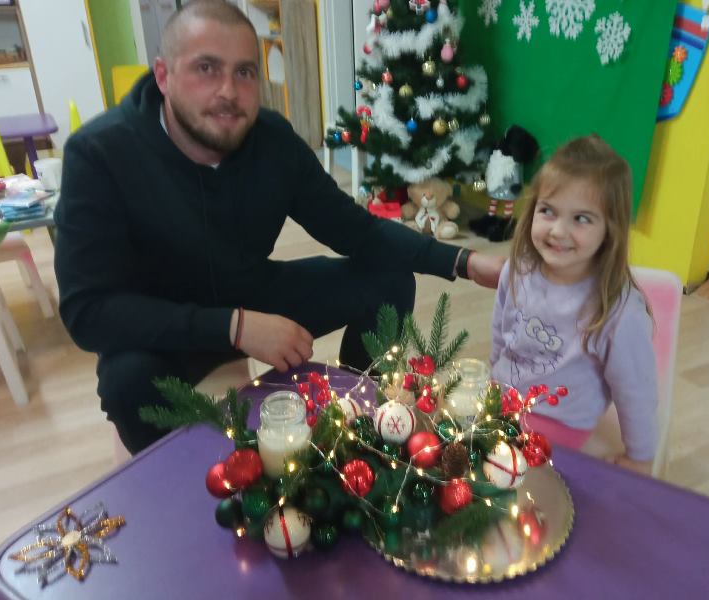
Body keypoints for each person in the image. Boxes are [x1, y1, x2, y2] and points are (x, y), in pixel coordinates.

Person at [54, 0, 504, 454]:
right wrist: (234, 327)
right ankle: (182, 476)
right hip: (165, 326)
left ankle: (360, 426)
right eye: (206, 68)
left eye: (245, 72)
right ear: (163, 76)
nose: (229, 91)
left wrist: (464, 261)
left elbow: (357, 231)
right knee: (126, 381)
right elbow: (87, 311)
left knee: (389, 280)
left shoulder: (271, 140)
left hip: (253, 292)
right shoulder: (99, 154)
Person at [489, 135, 657, 475]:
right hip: (502, 398)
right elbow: (501, 331)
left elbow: (636, 390)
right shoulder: (517, 269)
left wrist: (639, 457)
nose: (558, 231)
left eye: (581, 218)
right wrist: (493, 379)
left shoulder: (618, 310)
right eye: (548, 211)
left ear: (610, 229)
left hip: (558, 420)